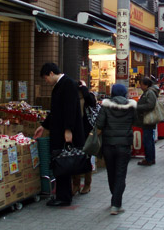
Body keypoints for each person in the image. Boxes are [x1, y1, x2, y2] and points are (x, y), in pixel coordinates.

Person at [33, 63, 85, 207]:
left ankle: (64, 197)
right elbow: (55, 111)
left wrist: (68, 130)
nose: (46, 82)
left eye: (45, 78)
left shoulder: (67, 84)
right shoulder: (61, 84)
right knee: (61, 163)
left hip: (64, 133)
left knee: (63, 163)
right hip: (59, 131)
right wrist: (43, 126)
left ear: (51, 73)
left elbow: (69, 109)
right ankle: (63, 195)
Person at [96, 84, 137, 215]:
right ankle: (116, 204)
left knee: (111, 172)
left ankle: (115, 198)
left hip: (108, 144)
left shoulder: (105, 106)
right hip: (124, 145)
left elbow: (99, 124)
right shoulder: (131, 107)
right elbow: (136, 121)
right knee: (120, 174)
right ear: (125, 93)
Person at [72, 81, 99, 195]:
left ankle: (87, 184)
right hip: (75, 131)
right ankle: (76, 184)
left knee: (86, 157)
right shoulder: (72, 97)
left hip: (87, 131)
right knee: (74, 157)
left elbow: (92, 103)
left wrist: (84, 89)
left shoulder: (89, 97)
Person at [136, 77, 160, 166]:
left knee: (147, 140)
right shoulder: (148, 92)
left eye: (141, 84)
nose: (140, 86)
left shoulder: (150, 92)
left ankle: (149, 159)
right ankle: (151, 158)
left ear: (146, 85)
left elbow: (150, 105)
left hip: (148, 119)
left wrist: (138, 107)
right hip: (146, 119)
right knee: (149, 139)